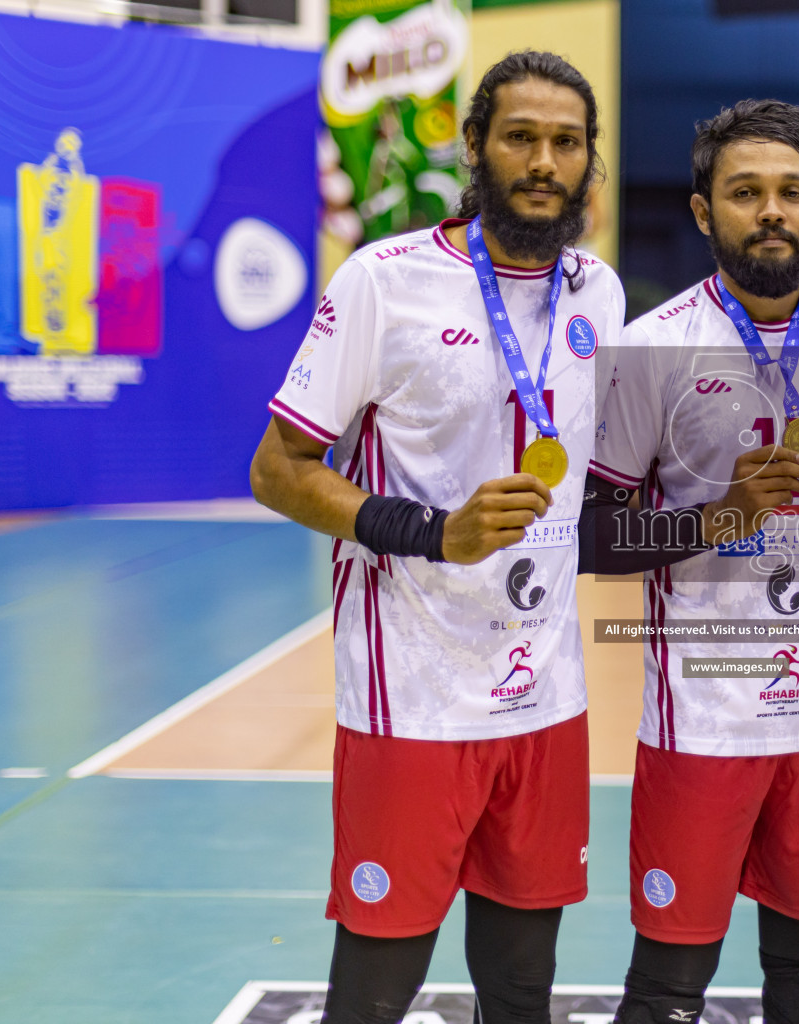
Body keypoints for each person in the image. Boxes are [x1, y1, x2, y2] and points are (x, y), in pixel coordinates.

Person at [249, 51, 623, 1024]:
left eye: (566, 142)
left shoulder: (601, 295)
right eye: (520, 137)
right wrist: (429, 532)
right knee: (374, 995)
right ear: (475, 147)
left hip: (545, 704)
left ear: (589, 161)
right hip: (409, 705)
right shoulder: (386, 279)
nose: (544, 160)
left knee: (521, 991)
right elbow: (278, 469)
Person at [580, 99, 799, 1024]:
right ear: (704, 213)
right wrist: (715, 519)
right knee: (667, 984)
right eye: (746, 193)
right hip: (702, 724)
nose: (772, 211)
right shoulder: (650, 350)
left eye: (792, 192)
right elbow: (595, 537)